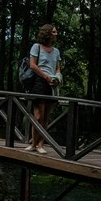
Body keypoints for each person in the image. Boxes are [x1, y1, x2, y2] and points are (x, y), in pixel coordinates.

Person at [25, 24, 62, 154]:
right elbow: (32, 65)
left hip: (52, 83)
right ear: (47, 33)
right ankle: (33, 144)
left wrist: (57, 78)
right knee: (38, 115)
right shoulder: (37, 47)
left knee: (46, 116)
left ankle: (41, 144)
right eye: (54, 32)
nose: (56, 34)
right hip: (40, 82)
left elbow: (57, 68)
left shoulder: (56, 51)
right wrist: (45, 77)